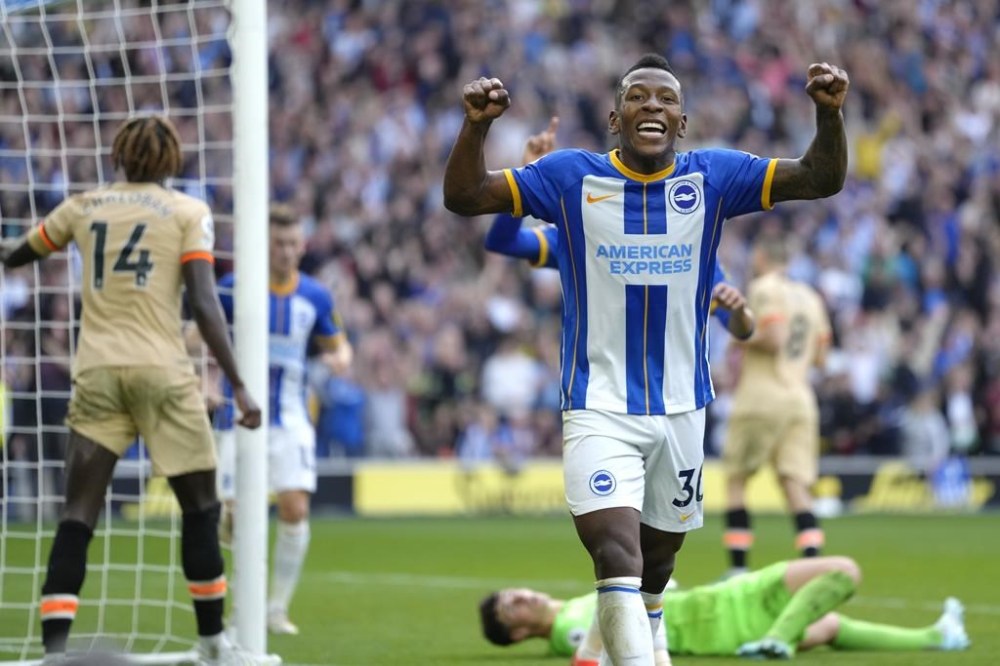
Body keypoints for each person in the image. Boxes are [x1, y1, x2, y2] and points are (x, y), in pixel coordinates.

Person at [444, 53, 849, 663]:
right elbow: (468, 197)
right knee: (616, 555)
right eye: (638, 97)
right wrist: (476, 128)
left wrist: (829, 114)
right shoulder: (569, 181)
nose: (652, 107)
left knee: (657, 566)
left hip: (683, 408)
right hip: (598, 403)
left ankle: (648, 636)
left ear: (682, 122)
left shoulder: (712, 180)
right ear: (615, 116)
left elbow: (820, 178)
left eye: (665, 100)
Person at [0, 115, 265, 665]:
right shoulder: (189, 213)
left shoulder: (83, 206)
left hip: (96, 372)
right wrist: (238, 384)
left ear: (118, 155)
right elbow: (204, 302)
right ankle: (214, 644)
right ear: (171, 160)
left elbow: (18, 253)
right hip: (163, 372)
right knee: (199, 508)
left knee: (77, 513)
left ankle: (54, 652)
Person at [211, 204, 353, 636]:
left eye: (293, 243)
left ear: (303, 245)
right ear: (264, 245)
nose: (286, 251)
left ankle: (275, 608)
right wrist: (203, 373)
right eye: (278, 243)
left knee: (295, 508)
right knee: (234, 515)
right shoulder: (235, 288)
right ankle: (240, 611)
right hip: (238, 417)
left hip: (291, 416)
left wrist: (339, 358)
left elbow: (340, 344)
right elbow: (197, 334)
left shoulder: (315, 296)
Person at [478, 556, 970, 662]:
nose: (520, 598)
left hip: (725, 600)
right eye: (511, 610)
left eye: (511, 592)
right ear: (519, 635)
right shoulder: (570, 629)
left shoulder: (580, 599)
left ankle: (939, 635)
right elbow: (601, 645)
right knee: (840, 589)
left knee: (833, 593)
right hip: (721, 624)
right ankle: (934, 637)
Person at [722, 235, 833, 579]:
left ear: (760, 255)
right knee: (794, 484)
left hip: (762, 396)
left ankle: (738, 570)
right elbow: (821, 356)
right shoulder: (812, 297)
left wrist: (737, 339)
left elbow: (774, 338)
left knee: (736, 480)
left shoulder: (765, 287)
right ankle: (812, 563)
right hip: (800, 397)